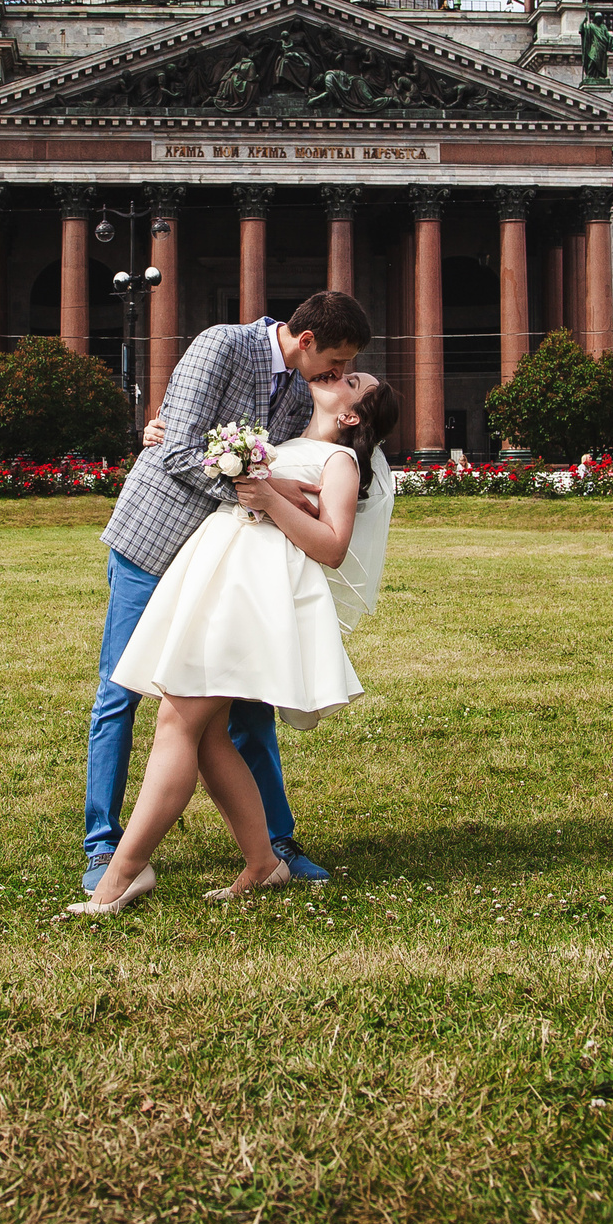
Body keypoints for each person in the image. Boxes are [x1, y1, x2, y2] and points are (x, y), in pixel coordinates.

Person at [72, 368, 402, 912]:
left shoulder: (338, 461)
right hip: (219, 575)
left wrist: (268, 498)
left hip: (251, 590)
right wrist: (165, 433)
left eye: (352, 381)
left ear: (351, 416)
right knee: (207, 737)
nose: (339, 374)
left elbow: (333, 546)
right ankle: (263, 862)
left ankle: (122, 875)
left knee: (177, 720)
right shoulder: (282, 438)